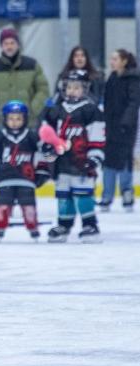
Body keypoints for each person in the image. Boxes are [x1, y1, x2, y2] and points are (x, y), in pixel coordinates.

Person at [39, 70, 105, 243]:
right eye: (69, 87)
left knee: (83, 195)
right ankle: (64, 225)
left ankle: (90, 225)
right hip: (62, 163)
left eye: (76, 87)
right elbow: (47, 132)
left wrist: (94, 158)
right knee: (63, 195)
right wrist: (48, 147)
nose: (72, 91)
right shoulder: (56, 109)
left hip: (81, 163)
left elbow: (97, 137)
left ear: (85, 89)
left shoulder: (91, 110)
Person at [0, 100, 50, 241]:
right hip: (4, 180)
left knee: (29, 207)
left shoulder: (32, 136)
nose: (14, 122)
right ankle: (0, 229)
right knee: (3, 206)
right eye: (11, 118)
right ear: (5, 119)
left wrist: (41, 170)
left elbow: (39, 155)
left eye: (18, 118)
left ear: (25, 119)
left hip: (27, 181)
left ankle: (33, 229)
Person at [0, 28, 49, 127]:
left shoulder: (32, 65)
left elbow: (43, 89)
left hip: (28, 123)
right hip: (1, 123)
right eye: (6, 43)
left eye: (12, 43)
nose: (9, 46)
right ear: (1, 46)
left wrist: (33, 109)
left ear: (18, 44)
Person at [100, 49, 139, 212]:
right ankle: (107, 195)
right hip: (111, 126)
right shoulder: (112, 78)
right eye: (111, 59)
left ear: (124, 61)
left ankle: (127, 192)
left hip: (126, 128)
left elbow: (133, 103)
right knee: (108, 160)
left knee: (124, 159)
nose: (112, 62)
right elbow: (107, 102)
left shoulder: (133, 79)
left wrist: (126, 122)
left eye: (115, 59)